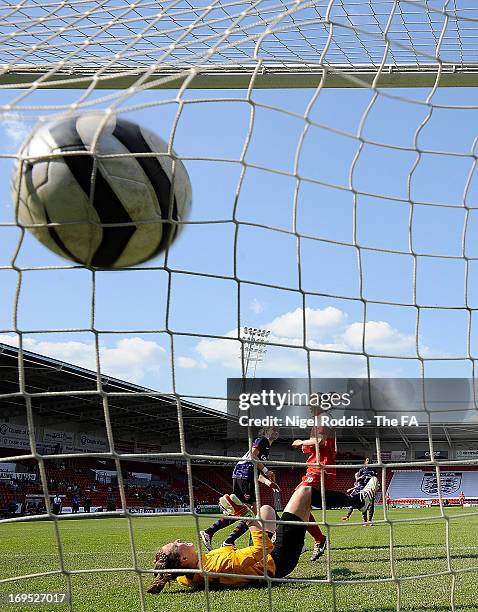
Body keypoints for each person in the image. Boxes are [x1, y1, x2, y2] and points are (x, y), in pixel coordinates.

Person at [147, 478, 378, 594]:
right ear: (184, 560)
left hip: (258, 565)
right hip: (277, 561)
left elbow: (172, 573)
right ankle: (359, 502)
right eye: (176, 546)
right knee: (305, 492)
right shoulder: (216, 563)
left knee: (267, 510)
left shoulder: (183, 576)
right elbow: (260, 550)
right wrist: (244, 515)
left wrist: (161, 575)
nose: (178, 541)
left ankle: (302, 534)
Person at [200, 427, 280, 550]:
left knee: (242, 511)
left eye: (277, 430)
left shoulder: (266, 448)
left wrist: (268, 482)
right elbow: (252, 456)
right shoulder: (262, 440)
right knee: (249, 512)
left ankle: (216, 535)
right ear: (265, 432)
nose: (276, 432)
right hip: (244, 475)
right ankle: (222, 538)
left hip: (245, 475)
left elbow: (254, 469)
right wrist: (266, 470)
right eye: (272, 429)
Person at [291, 424, 336, 561]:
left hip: (320, 469)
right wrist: (303, 447)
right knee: (299, 507)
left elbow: (320, 441)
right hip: (315, 468)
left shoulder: (322, 418)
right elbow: (318, 445)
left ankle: (358, 501)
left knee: (296, 504)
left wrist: (301, 442)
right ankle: (317, 539)